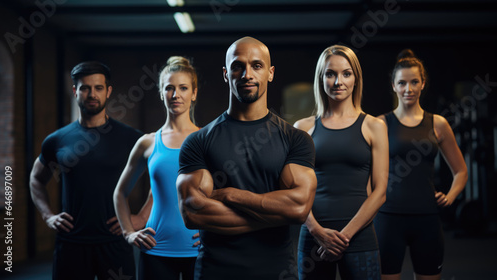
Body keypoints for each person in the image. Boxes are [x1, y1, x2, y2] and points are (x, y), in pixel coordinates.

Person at [177, 36, 317, 280]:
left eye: (257, 65)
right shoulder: (198, 141)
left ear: (270, 73)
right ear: (225, 73)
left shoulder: (296, 139)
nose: (247, 74)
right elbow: (194, 213)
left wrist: (233, 195)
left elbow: (298, 208)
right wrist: (274, 215)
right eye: (237, 66)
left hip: (276, 272)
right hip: (215, 272)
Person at [29, 61, 144, 280]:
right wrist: (48, 216)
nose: (92, 94)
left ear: (108, 91)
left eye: (98, 88)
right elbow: (36, 179)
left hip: (114, 242)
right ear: (75, 91)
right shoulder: (57, 140)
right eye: (85, 88)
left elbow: (162, 177)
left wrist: (142, 217)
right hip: (71, 244)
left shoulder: (132, 138)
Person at [294, 45, 389, 280]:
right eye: (330, 74)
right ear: (321, 78)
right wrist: (317, 232)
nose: (338, 81)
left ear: (356, 78)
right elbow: (294, 190)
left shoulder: (374, 126)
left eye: (346, 73)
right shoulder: (302, 128)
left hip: (359, 238)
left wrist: (342, 237)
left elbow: (380, 192)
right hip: (313, 237)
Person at [374, 49, 468, 280]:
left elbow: (461, 171)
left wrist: (451, 196)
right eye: (402, 83)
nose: (408, 89)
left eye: (414, 82)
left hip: (427, 218)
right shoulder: (379, 124)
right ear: (394, 86)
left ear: (423, 83)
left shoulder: (438, 124)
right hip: (388, 219)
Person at [113, 56, 200, 280]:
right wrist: (128, 233)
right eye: (169, 88)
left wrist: (216, 233)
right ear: (162, 93)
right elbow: (120, 193)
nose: (176, 94)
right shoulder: (148, 143)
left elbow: (226, 192)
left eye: (183, 88)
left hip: (199, 249)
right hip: (155, 247)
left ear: (194, 93)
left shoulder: (206, 139)